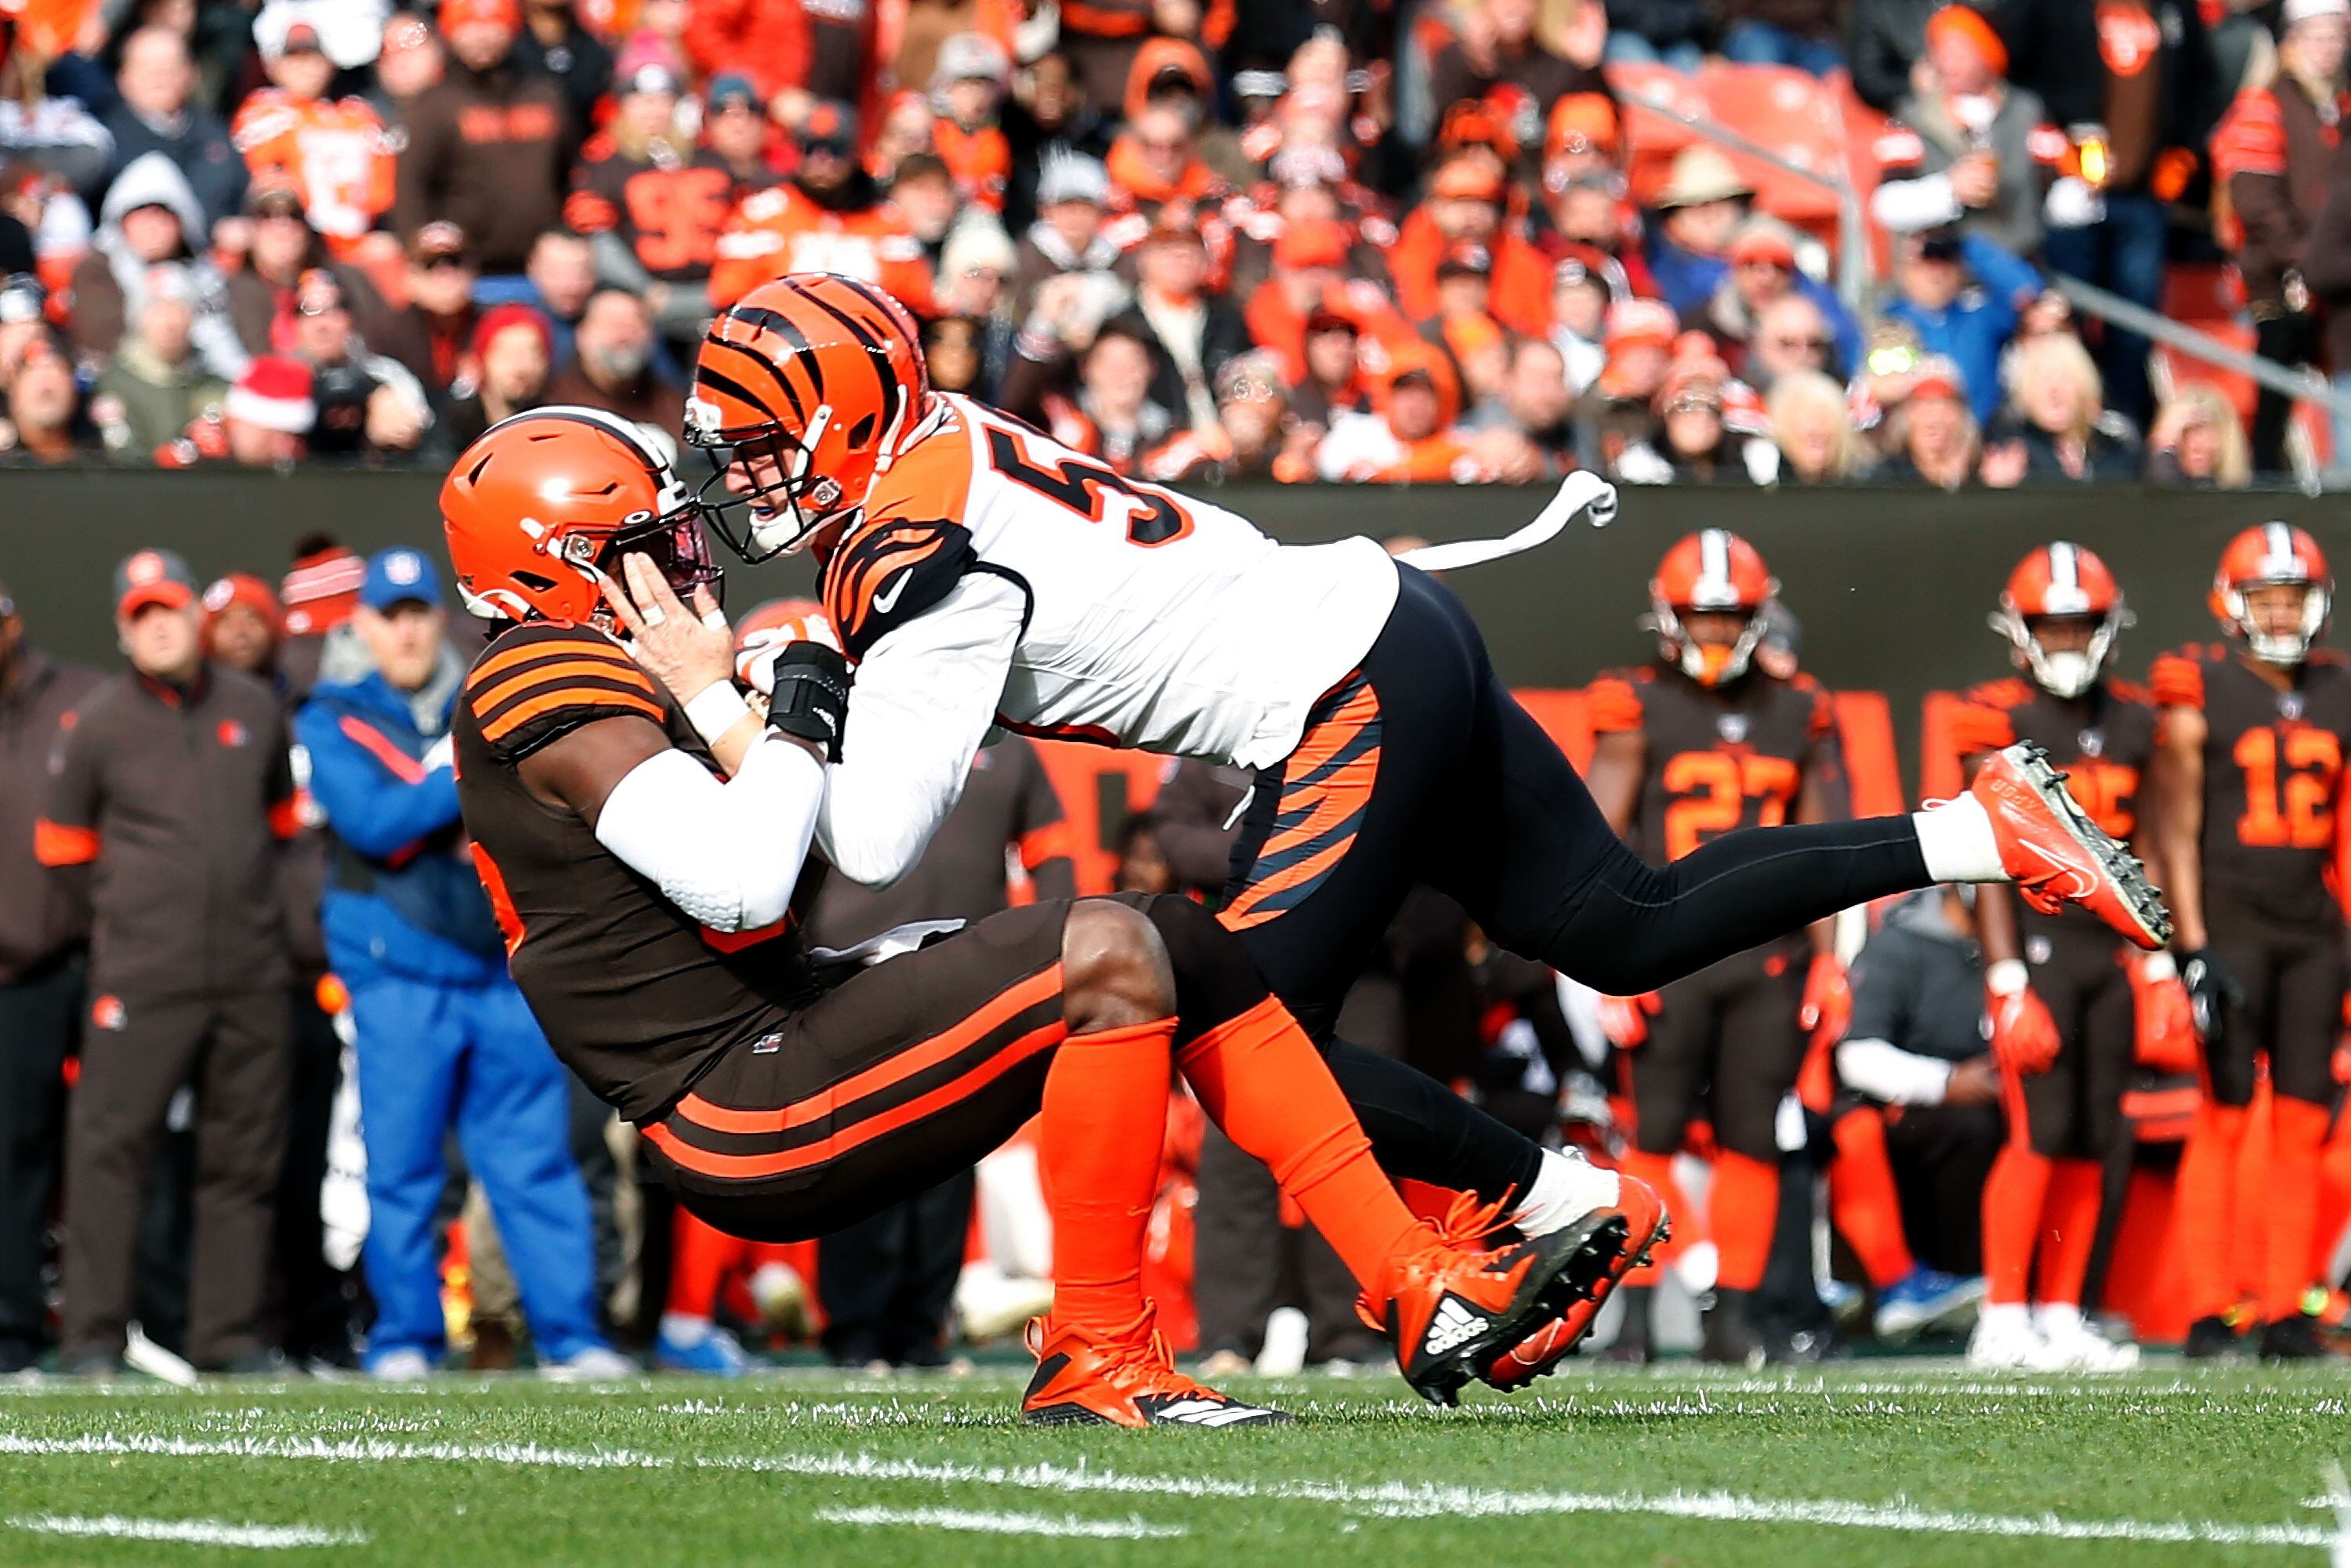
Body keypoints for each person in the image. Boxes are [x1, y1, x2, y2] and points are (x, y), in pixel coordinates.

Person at [684, 273, 2168, 1385]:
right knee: (1617, 923)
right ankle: (1974, 831)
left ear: (842, 424)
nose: (737, 473)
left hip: (1333, 692)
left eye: (757, 442)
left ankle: (1550, 1194)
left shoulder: (909, 543)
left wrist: (801, 693)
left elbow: (874, 838)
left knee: (1229, 1027)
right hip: (1400, 623)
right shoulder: (935, 442)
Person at [439, 407, 1621, 1423]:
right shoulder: (539, 675)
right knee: (1106, 953)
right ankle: (1099, 1348)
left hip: (779, 1020)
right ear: (559, 565)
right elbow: (744, 878)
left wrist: (746, 714)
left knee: (1180, 936)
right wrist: (767, 712)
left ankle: (1422, 1276)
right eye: (645, 547)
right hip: (735, 1090)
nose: (687, 562)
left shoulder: (587, 675)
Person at [296, 547, 625, 1382]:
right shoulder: (332, 713)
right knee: (403, 1166)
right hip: (397, 971)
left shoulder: (480, 698)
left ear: (437, 617)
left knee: (534, 1161)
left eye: (417, 612)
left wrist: (445, 788)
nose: (405, 630)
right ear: (363, 624)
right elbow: (376, 822)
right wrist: (468, 775)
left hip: (497, 967)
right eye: (389, 614)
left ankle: (569, 1335)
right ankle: (404, 1335)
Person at [1581, 531, 1850, 1363]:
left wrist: (1833, 958)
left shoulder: (1799, 707)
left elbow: (1829, 847)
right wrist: (1607, 959)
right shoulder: (1635, 700)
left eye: (1728, 617)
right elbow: (1600, 837)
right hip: (1667, 950)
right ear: (1668, 617)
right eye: (1699, 617)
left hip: (1768, 959)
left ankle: (1731, 1317)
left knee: (1752, 1136)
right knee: (1652, 1133)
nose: (1711, 633)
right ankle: (1630, 1318)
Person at [37, 549, 299, 1375]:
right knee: (110, 1153)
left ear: (197, 617)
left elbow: (284, 828)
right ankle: (91, 1340)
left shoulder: (257, 707)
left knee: (244, 1159)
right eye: (142, 614)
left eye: (171, 609)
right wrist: (129, 924)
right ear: (123, 629)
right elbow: (62, 848)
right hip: (143, 977)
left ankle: (227, 1337)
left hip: (253, 974)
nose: (159, 627)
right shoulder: (100, 723)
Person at [1951, 545, 2171, 1371]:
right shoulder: (1993, 717)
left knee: (2092, 1137)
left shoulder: (2135, 719)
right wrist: (2006, 979)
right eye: (2054, 625)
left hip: (2106, 956)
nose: (2070, 640)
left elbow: (2144, 844)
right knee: (2035, 1136)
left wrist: (2156, 961)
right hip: (2036, 951)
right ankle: (2002, 1314)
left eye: (2082, 625)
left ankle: (2061, 1310)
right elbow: (1982, 860)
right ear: (2020, 630)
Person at [2152, 525, 2351, 1361]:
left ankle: (2281, 1306)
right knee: (2227, 1111)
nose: (2279, 611)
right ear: (2232, 603)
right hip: (2231, 923)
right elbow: (2175, 822)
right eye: (2266, 595)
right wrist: (2188, 941)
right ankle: (2209, 1306)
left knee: (2304, 1115)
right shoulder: (2198, 681)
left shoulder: (2340, 687)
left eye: (2292, 596)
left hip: (2313, 930)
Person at [0, 578, 100, 1374]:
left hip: (101, 957)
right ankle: (14, 1333)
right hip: (11, 979)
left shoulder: (84, 698)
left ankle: (125, 1325)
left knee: (118, 1150)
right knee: (16, 1154)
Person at [1835, 886, 2007, 1284]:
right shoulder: (1902, 943)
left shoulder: (2031, 948)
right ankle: (1957, 1276)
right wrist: (1945, 1082)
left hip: (2005, 1095)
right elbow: (1857, 1056)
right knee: (1973, 1128)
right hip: (1911, 1105)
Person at [2208, 0, 2346, 473]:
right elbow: (2253, 195)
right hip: (2278, 281)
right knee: (2275, 396)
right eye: (2317, 37)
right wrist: (2305, 257)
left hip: (2335, 281)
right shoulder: (2264, 103)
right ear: (2294, 41)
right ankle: (2263, 478)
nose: (2328, 49)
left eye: (2336, 37)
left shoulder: (2340, 108)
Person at [393, 0, 572, 277]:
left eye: (494, 24)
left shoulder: (546, 96)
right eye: (469, 26)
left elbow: (572, 172)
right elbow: (409, 189)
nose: (482, 36)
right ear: (450, 32)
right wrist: (422, 255)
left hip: (546, 273)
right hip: (464, 272)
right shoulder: (433, 105)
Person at [1869, 6, 2056, 261]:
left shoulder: (2027, 113)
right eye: (1941, 51)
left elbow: (2053, 198)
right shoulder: (1912, 117)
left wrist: (2084, 189)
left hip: (2019, 266)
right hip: (1943, 271)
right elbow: (1886, 205)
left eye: (1961, 51)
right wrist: (1949, 190)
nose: (1949, 63)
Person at [707, 101, 933, 311]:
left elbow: (916, 304)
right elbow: (728, 298)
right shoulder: (758, 215)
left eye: (835, 149)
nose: (822, 160)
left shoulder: (888, 221)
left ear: (856, 154)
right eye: (811, 148)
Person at [230, 9, 397, 257]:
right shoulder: (265, 111)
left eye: (312, 57)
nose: (305, 67)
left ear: (330, 63)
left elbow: (382, 194)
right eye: (295, 58)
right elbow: (265, 184)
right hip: (297, 246)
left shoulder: (359, 114)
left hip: (358, 244)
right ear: (275, 66)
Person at [103, 26, 246, 230]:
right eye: (146, 66)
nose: (160, 76)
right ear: (123, 78)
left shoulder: (217, 136)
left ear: (192, 73)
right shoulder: (104, 141)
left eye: (171, 65)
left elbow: (240, 198)